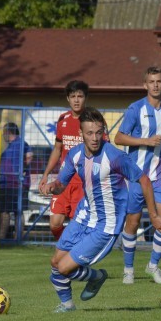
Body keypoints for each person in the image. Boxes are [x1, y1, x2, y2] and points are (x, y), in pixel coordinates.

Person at [41, 107, 161, 313]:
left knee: (65, 268)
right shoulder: (75, 155)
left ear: (103, 132)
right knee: (55, 263)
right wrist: (51, 187)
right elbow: (61, 184)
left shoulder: (114, 156)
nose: (95, 138)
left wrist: (153, 215)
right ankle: (67, 306)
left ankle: (97, 276)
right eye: (90, 133)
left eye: (99, 132)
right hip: (84, 217)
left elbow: (144, 181)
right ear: (81, 134)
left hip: (106, 224)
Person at [114, 66, 161, 285]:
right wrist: (145, 141)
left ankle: (153, 265)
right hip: (137, 174)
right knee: (132, 222)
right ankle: (128, 270)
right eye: (152, 82)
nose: (156, 85)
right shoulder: (135, 109)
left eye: (159, 81)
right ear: (145, 85)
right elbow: (119, 138)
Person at [39, 81, 108, 241]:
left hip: (84, 182)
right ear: (68, 99)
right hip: (63, 181)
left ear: (86, 98)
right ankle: (68, 250)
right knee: (55, 224)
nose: (76, 100)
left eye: (80, 96)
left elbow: (105, 149)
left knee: (79, 225)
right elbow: (57, 149)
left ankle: (73, 256)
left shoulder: (94, 121)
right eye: (73, 96)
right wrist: (46, 174)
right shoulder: (63, 120)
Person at [0, 122, 33, 239]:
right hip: (8, 183)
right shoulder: (11, 146)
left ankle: (6, 238)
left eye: (4, 133)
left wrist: (22, 170)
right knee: (14, 211)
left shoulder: (21, 144)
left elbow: (29, 156)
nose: (3, 136)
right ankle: (12, 237)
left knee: (9, 211)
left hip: (15, 183)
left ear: (8, 132)